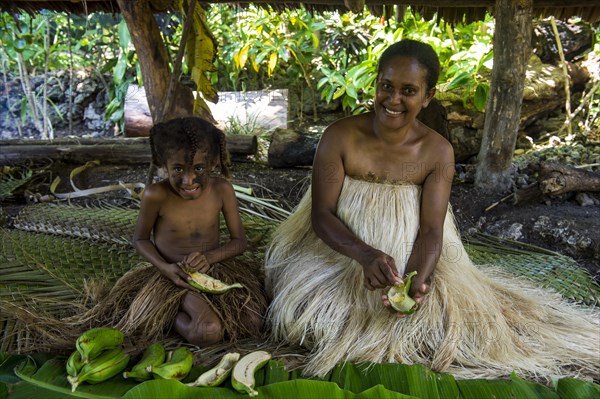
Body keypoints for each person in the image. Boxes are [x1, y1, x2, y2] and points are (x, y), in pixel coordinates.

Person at [264, 39, 599, 380]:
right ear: (376, 84)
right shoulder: (340, 136)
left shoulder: (437, 152)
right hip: (338, 252)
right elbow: (321, 215)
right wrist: (364, 255)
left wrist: (415, 281)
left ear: (427, 97)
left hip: (411, 254)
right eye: (386, 86)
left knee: (444, 330)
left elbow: (431, 231)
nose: (393, 100)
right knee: (307, 320)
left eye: (408, 90)